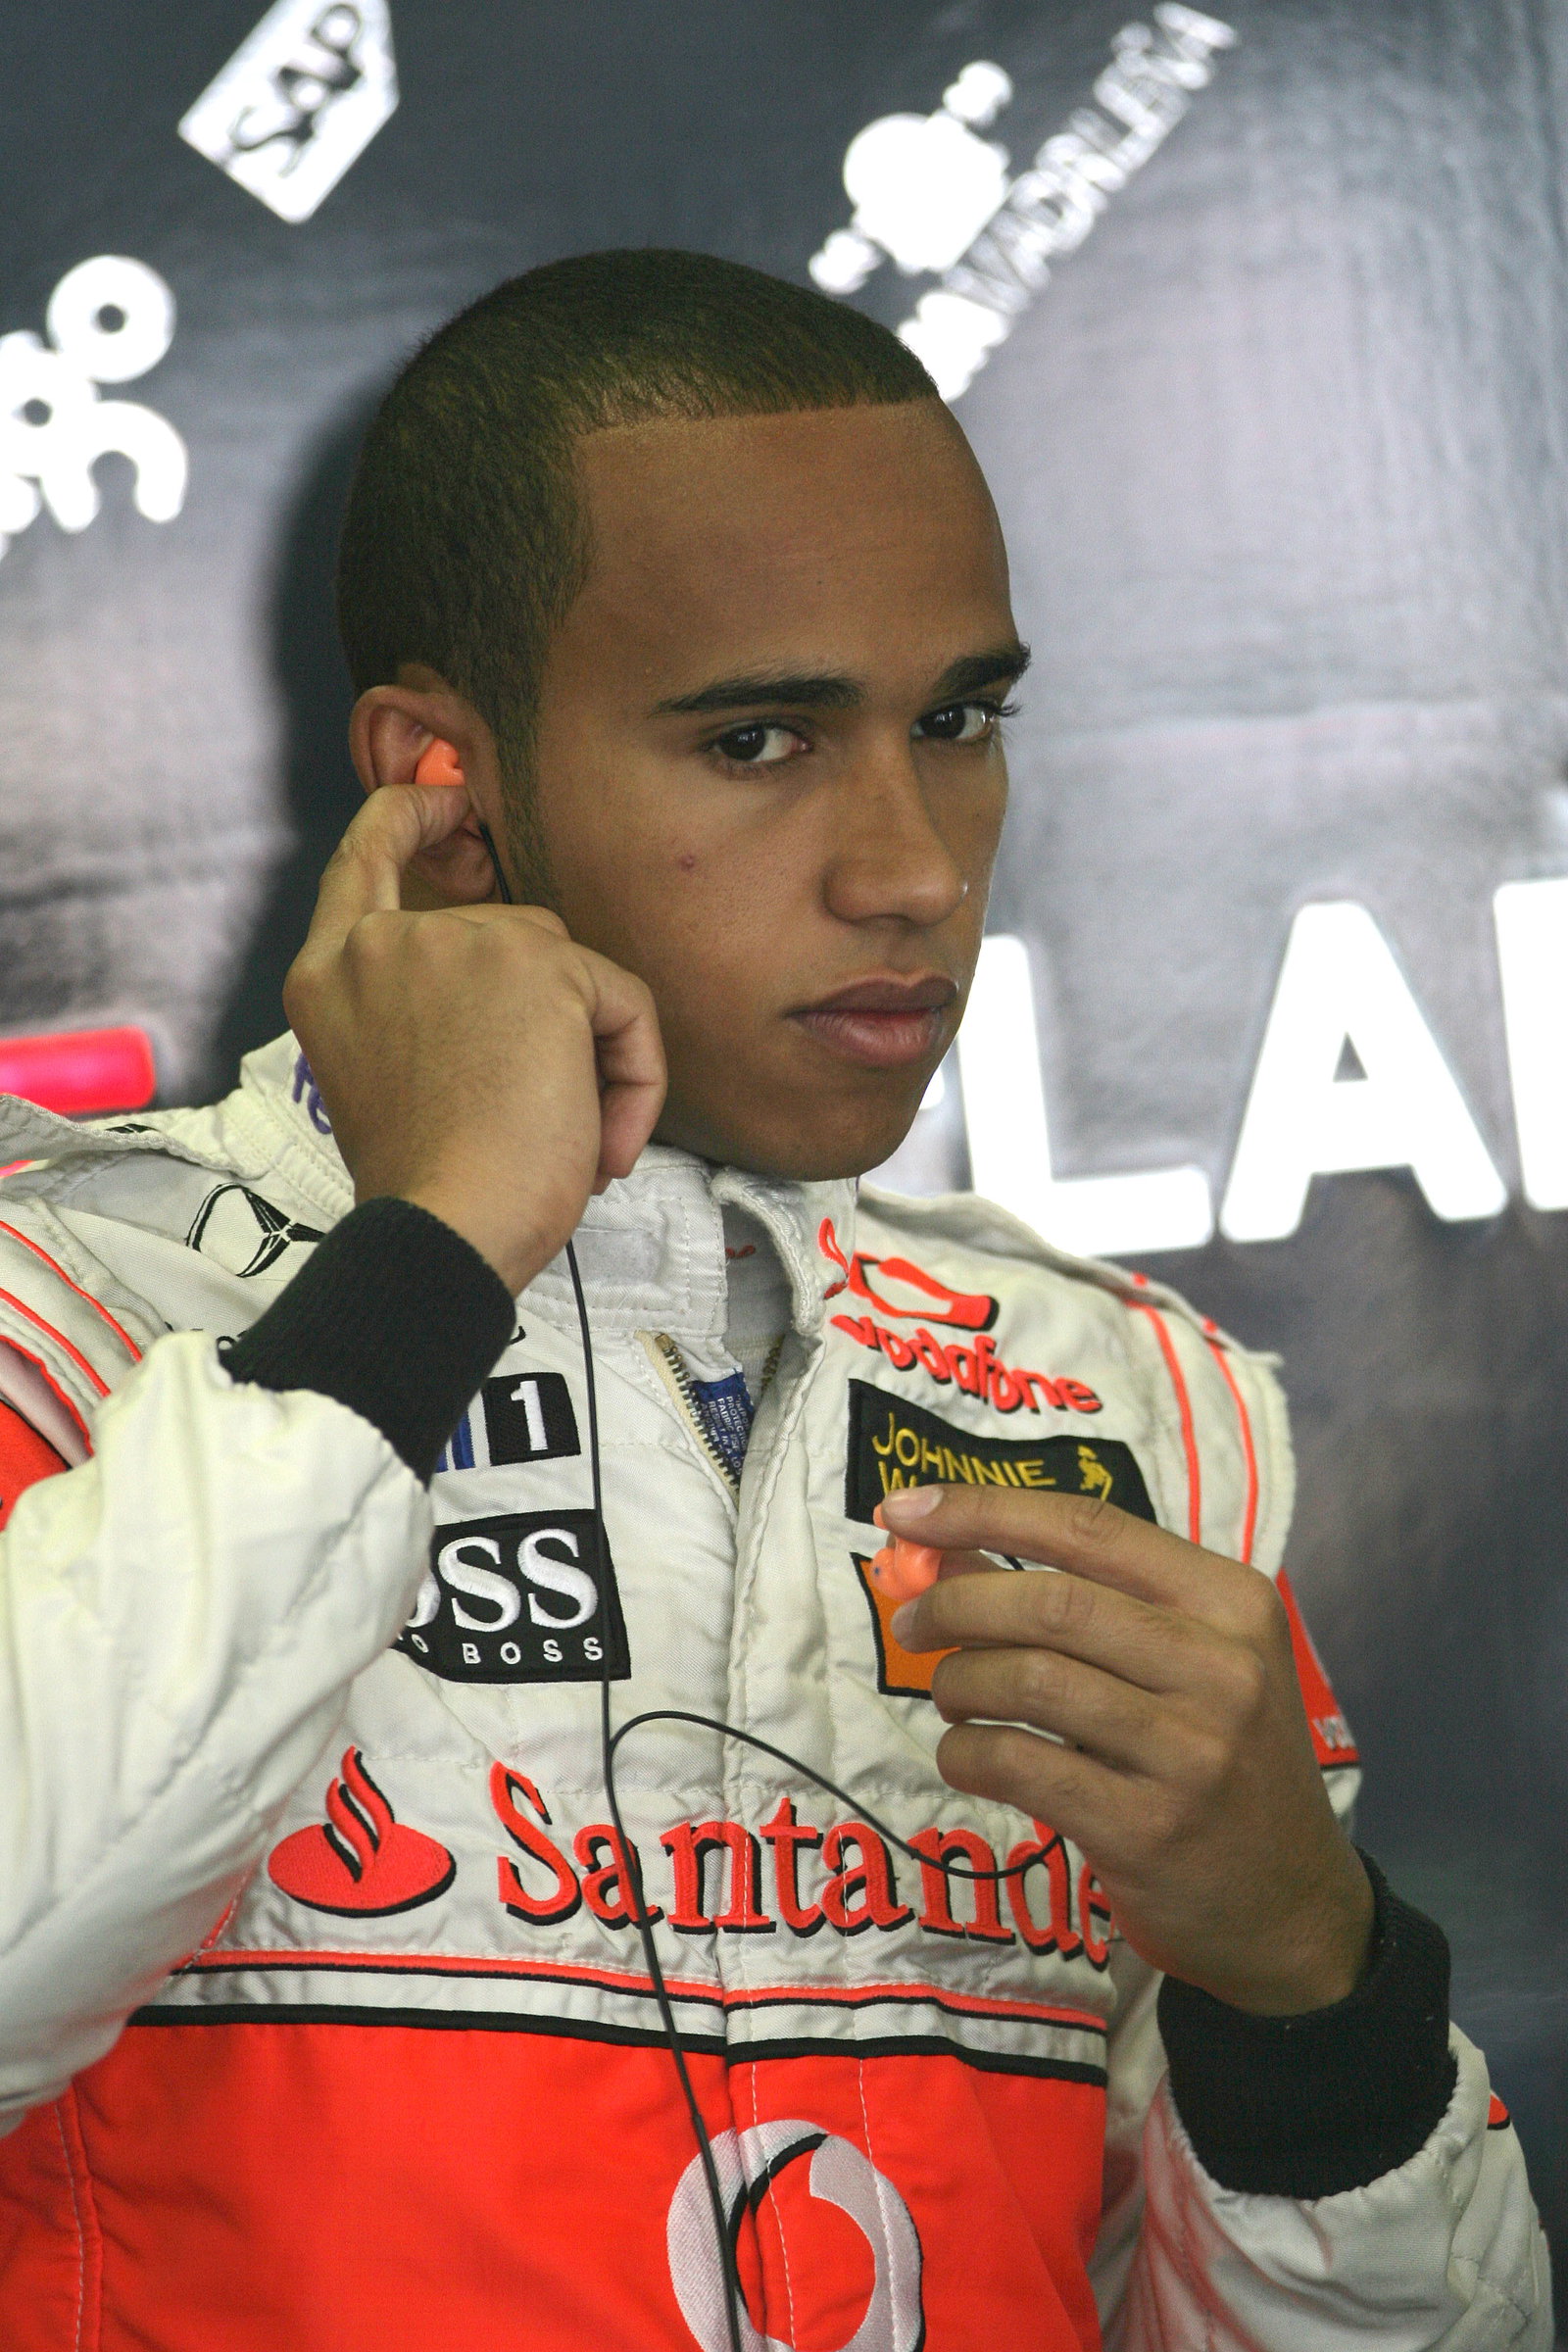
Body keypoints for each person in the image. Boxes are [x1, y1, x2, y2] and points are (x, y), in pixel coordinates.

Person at [0, 250, 1547, 2351]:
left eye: (957, 721)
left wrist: (1310, 1988)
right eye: (757, 738)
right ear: (437, 789)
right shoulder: (57, 1316)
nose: (909, 861)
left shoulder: (1124, 1407)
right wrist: (435, 1244)